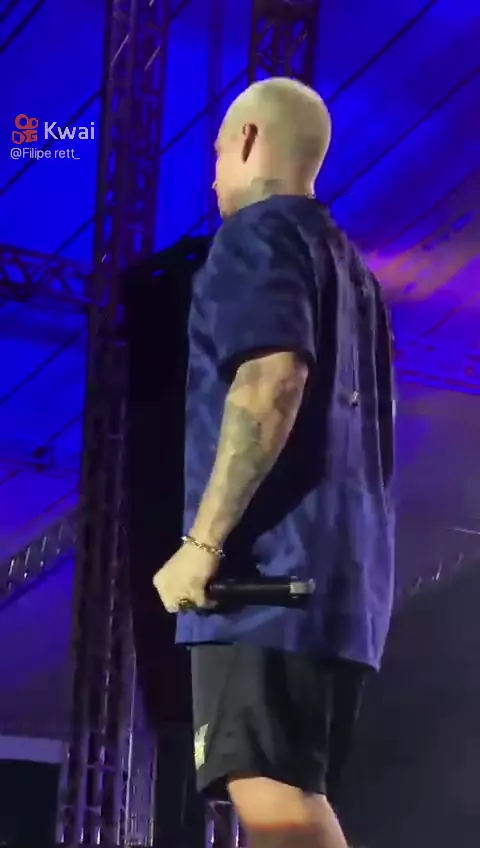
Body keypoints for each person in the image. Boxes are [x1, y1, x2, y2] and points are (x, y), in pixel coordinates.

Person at [153, 77, 395, 848]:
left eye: (216, 154)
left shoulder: (258, 235)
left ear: (250, 140)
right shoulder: (355, 274)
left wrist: (202, 544)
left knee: (278, 804)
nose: (212, 178)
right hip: (340, 598)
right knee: (289, 797)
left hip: (265, 586)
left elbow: (271, 381)